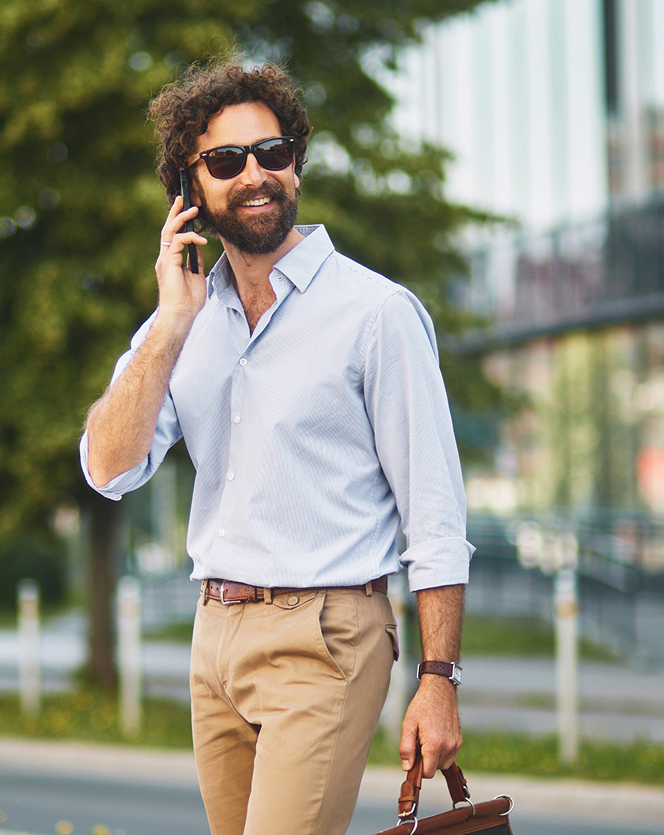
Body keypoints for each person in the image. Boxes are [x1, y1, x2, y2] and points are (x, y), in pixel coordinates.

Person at [80, 59, 473, 835]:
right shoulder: (182, 322)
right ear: (190, 190)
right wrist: (170, 322)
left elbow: (434, 516)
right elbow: (108, 468)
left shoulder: (376, 313)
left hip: (327, 637)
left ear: (297, 163)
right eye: (227, 161)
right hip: (215, 638)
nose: (256, 174)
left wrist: (439, 679)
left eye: (274, 152)